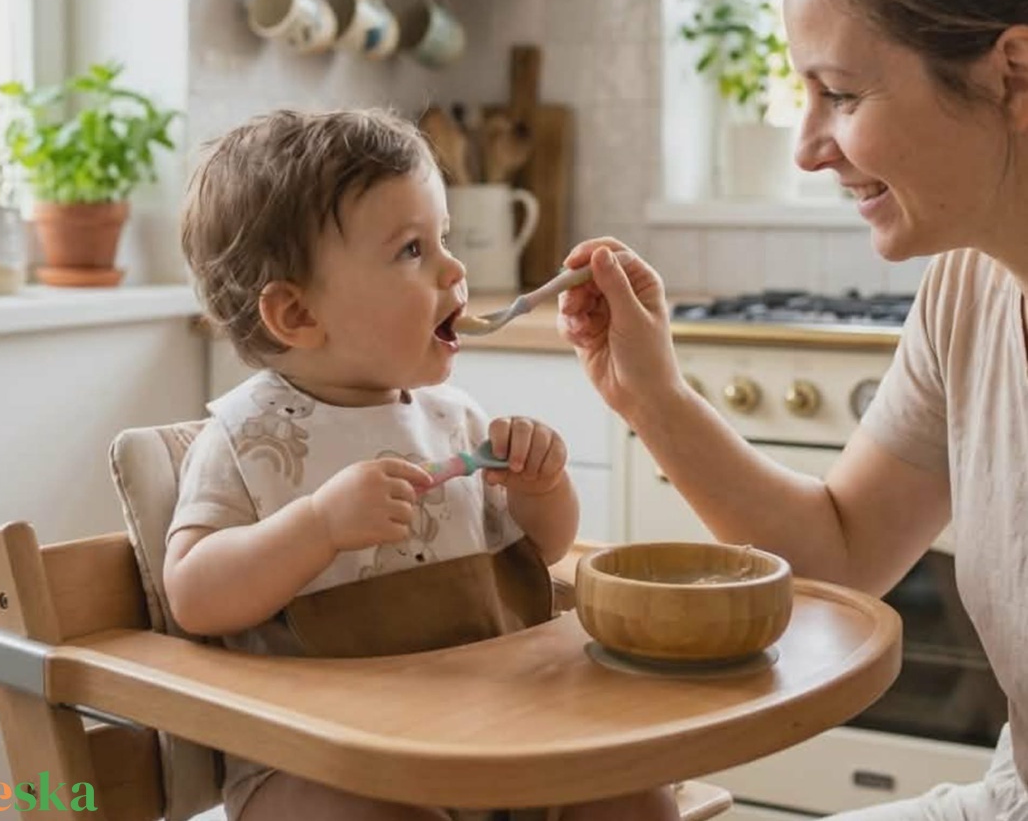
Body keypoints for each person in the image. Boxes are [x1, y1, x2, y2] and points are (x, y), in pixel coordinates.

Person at [559, 0, 1028, 821]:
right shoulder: (967, 291)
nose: (806, 145)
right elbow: (839, 550)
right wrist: (652, 395)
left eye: (841, 95)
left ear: (1012, 71)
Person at [167, 108, 678, 821]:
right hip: (320, 762)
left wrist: (541, 489)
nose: (454, 267)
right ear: (296, 315)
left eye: (442, 239)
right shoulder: (246, 439)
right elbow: (193, 594)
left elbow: (543, 550)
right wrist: (316, 526)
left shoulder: (455, 419)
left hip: (492, 737)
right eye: (412, 250)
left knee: (638, 794)